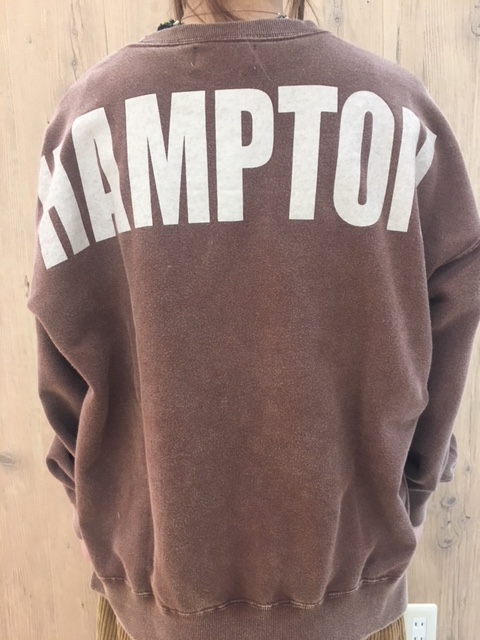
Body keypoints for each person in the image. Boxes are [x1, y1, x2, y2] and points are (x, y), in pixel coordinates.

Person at [26, 0, 480, 638]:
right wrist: (412, 492)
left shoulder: (90, 118)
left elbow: (60, 353)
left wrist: (96, 512)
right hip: (349, 591)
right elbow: (453, 311)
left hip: (156, 594)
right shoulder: (397, 110)